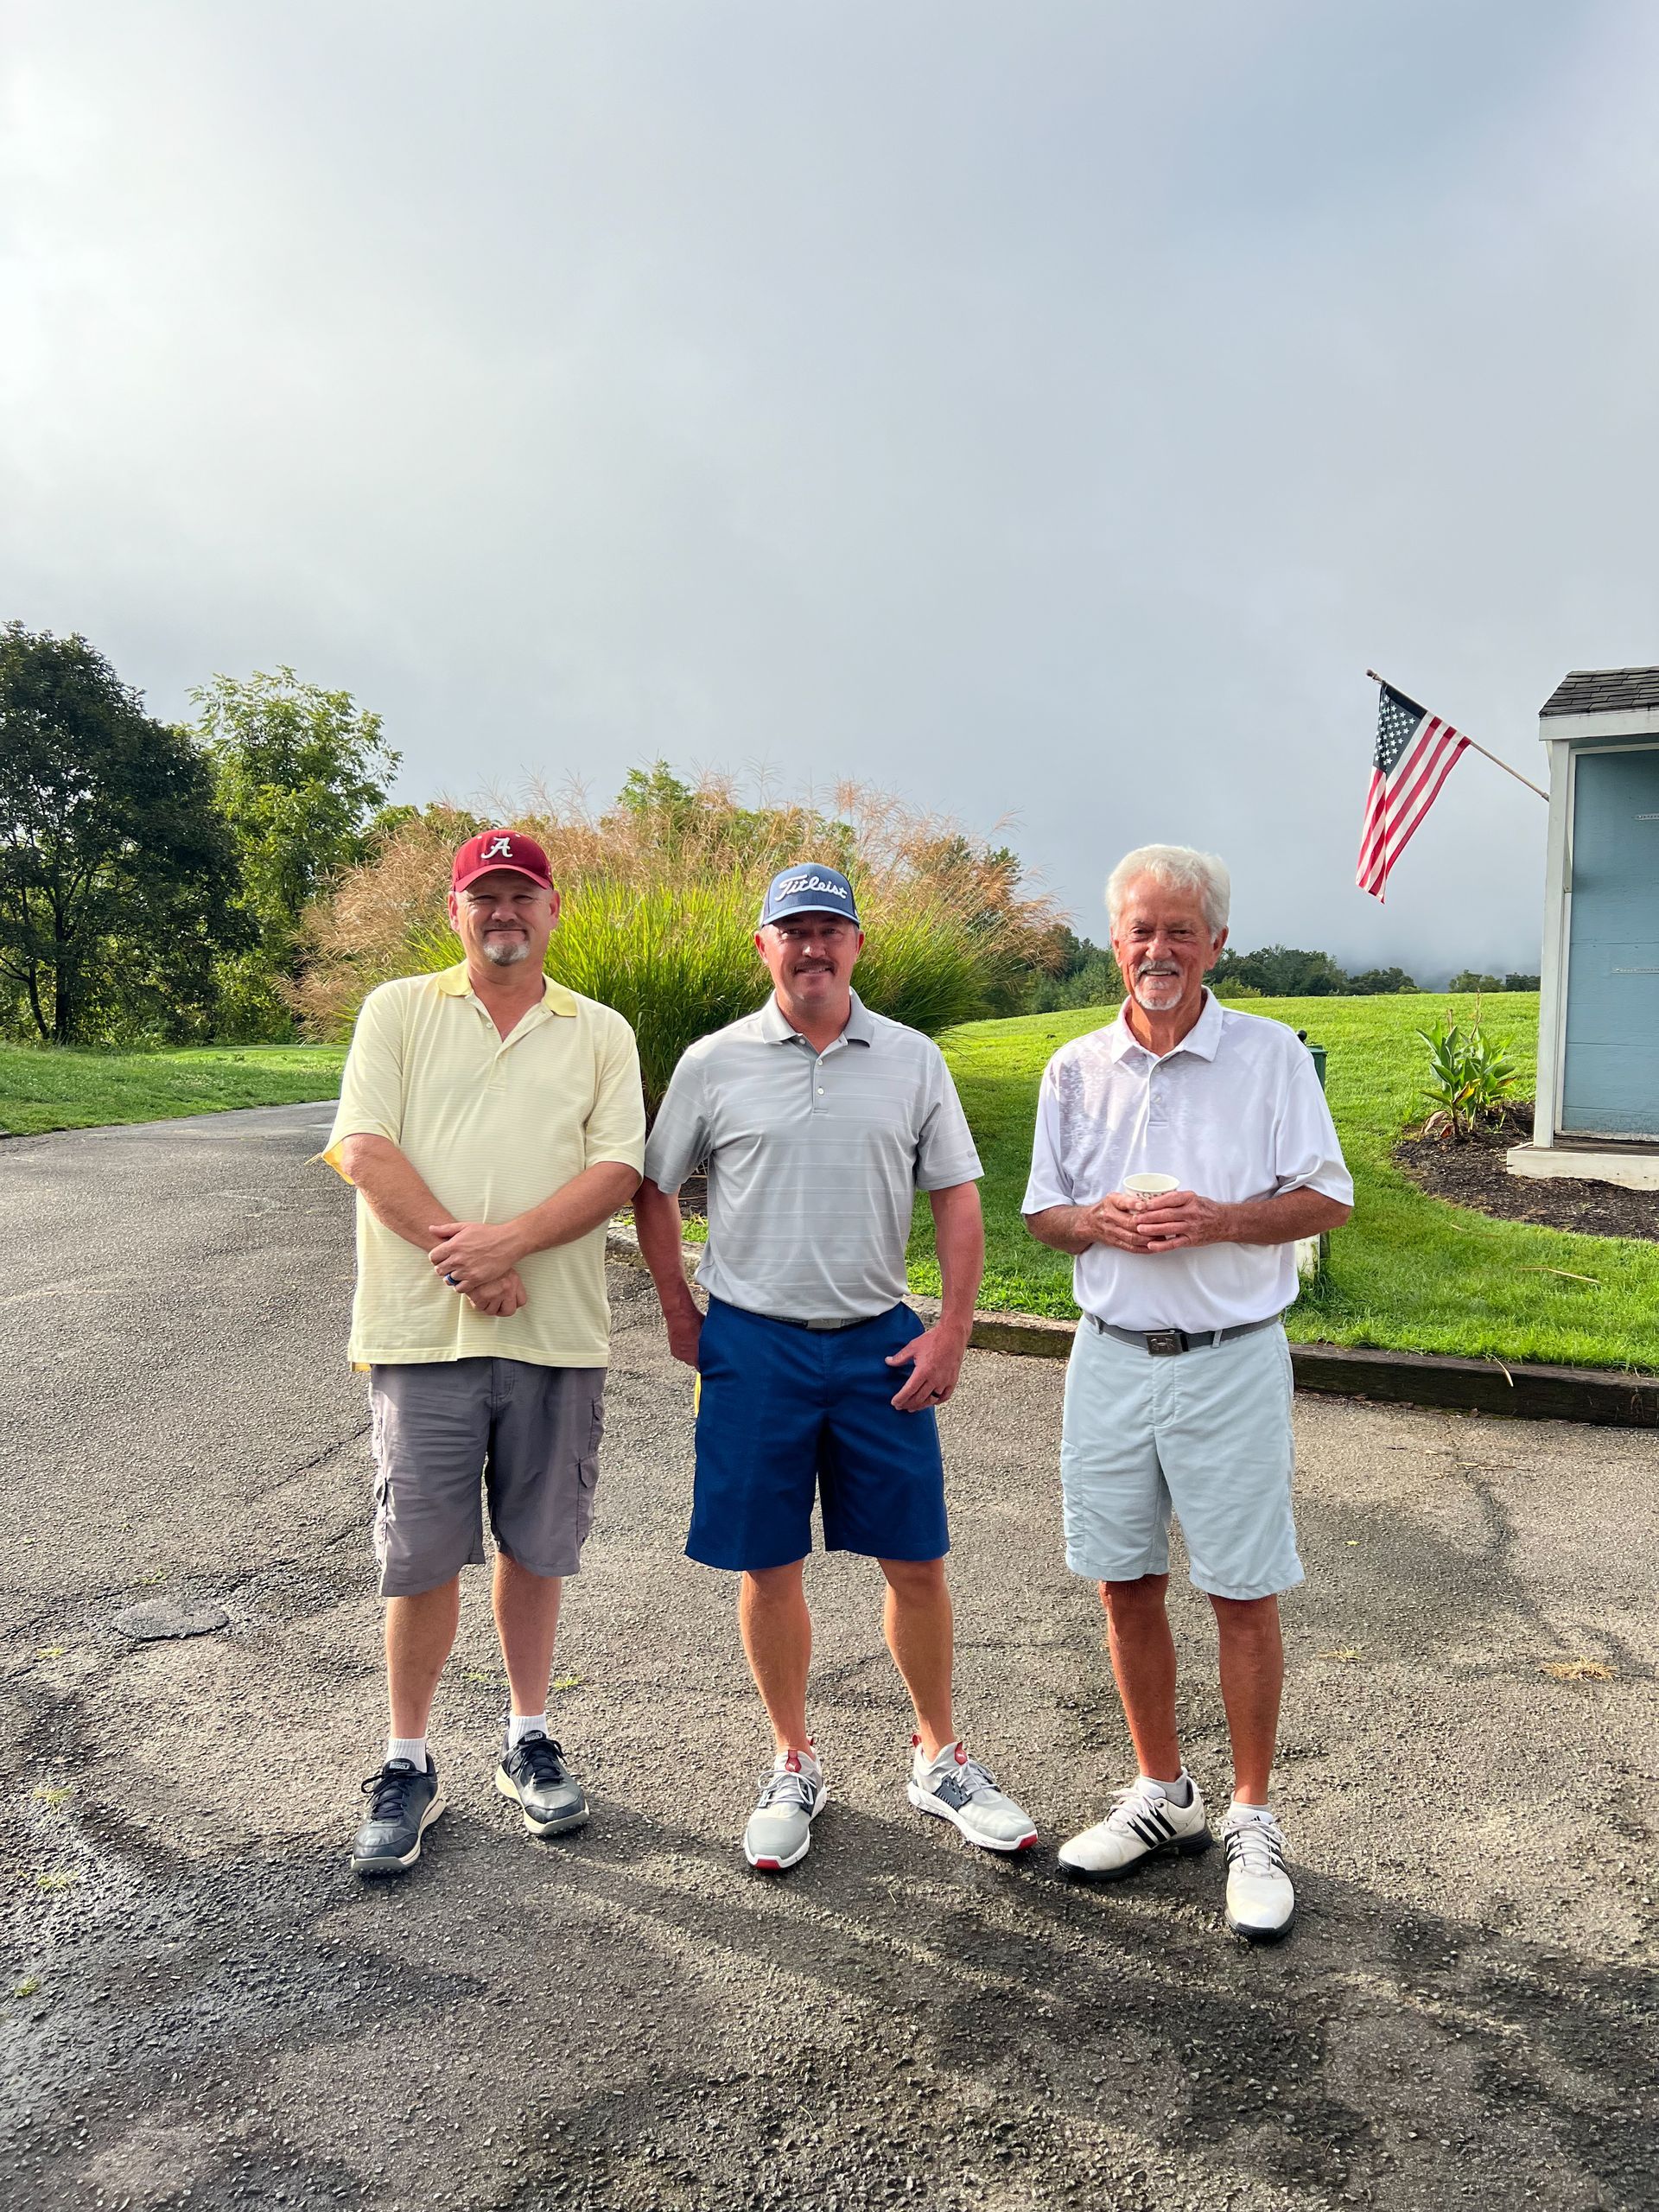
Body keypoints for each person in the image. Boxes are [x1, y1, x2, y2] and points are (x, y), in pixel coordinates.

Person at [633, 862, 1037, 1872]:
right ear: (763, 946)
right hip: (755, 1341)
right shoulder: (714, 1061)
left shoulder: (909, 1060)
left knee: (916, 1559)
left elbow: (956, 1198)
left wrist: (952, 1327)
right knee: (769, 1560)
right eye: (793, 931)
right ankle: (791, 1759)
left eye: (831, 930)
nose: (813, 948)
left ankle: (939, 1755)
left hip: (878, 1341)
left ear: (858, 945)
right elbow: (651, 1187)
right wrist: (681, 1306)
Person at [1021, 844, 1351, 1942]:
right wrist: (1096, 1221)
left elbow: (1325, 1199)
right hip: (1110, 1351)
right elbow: (1044, 1213)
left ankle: (1253, 1814)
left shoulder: (1267, 1059)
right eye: (1138, 932)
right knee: (1124, 1581)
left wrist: (1216, 1217)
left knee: (1244, 1591)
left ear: (1217, 942)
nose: (1157, 951)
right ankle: (1165, 1793)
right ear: (1112, 944)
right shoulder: (1074, 1066)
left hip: (1230, 1353)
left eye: (1179, 930)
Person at [325, 830, 645, 1877]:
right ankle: (407, 1760)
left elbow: (616, 1169)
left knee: (535, 1544)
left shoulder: (597, 1030)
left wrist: (511, 1243)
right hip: (421, 1336)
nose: (504, 911)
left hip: (556, 1336)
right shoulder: (398, 1011)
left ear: (554, 911)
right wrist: (476, 1260)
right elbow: (365, 1149)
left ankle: (527, 1736)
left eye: (523, 895)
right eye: (484, 896)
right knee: (420, 1554)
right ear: (456, 911)